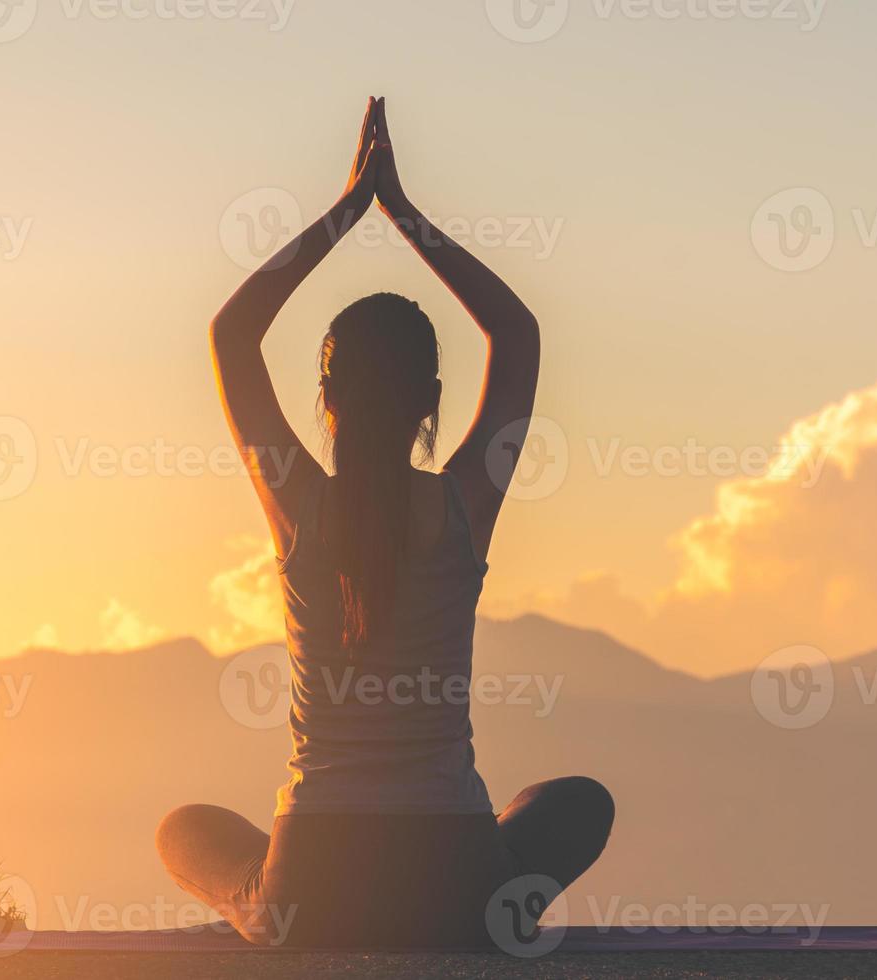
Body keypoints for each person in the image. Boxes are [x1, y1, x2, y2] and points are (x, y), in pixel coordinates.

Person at [156, 97, 614, 949]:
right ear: (432, 403)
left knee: (184, 828)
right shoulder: (461, 502)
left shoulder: (297, 503)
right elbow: (515, 335)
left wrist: (344, 209)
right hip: (455, 877)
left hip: (312, 885)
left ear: (324, 401)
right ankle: (493, 916)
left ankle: (265, 916)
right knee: (576, 803)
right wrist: (404, 214)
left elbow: (231, 334)